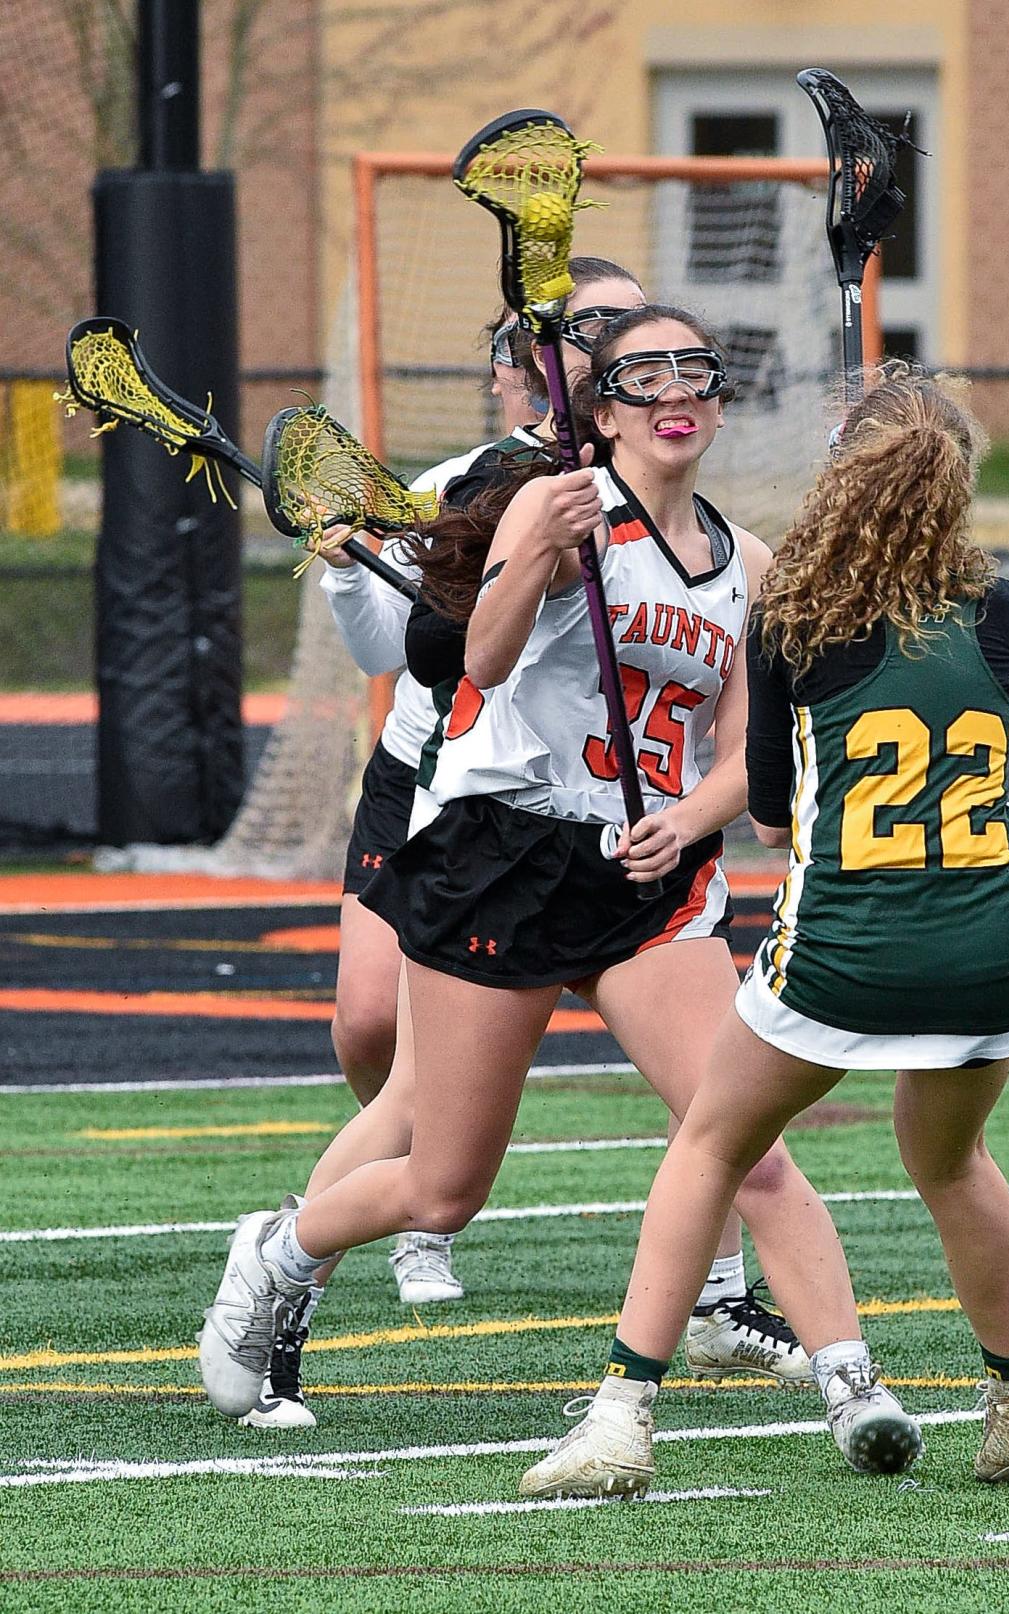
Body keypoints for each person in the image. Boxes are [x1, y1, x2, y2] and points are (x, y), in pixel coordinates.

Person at [200, 307, 918, 1473]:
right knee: (441, 1190)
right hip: (505, 856)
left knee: (746, 1141)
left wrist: (690, 816)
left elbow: (747, 752)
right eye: (645, 376)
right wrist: (537, 550)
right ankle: (276, 1255)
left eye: (698, 372)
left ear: (722, 402)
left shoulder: (753, 567)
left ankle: (854, 1391)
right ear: (604, 409)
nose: (675, 391)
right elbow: (476, 661)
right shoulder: (550, 503)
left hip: (645, 888)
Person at [520, 362, 1009, 1499]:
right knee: (953, 1160)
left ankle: (621, 1417)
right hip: (988, 947)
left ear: (848, 480)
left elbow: (770, 807)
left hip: (847, 945)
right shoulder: (1003, 611)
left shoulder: (796, 612)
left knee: (713, 1144)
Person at [242, 267, 647, 1431]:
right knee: (377, 1036)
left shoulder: (659, 493)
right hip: (449, 790)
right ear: (521, 360)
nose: (605, 348)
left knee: (708, 1078)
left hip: (617, 814)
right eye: (585, 331)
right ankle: (376, 1226)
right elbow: (410, 649)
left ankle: (721, 1300)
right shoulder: (462, 486)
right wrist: (342, 566)